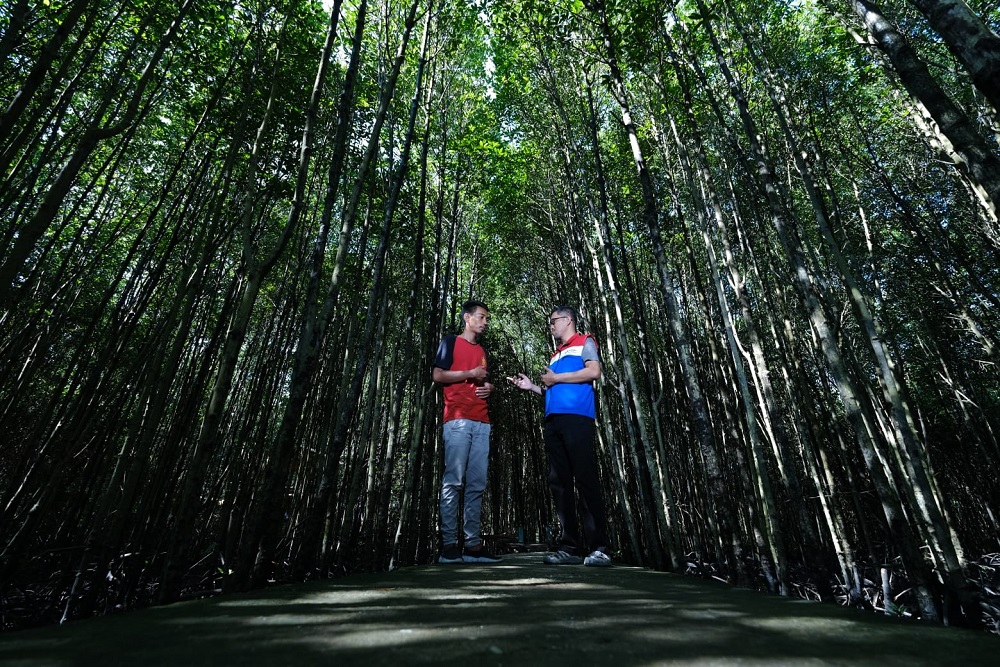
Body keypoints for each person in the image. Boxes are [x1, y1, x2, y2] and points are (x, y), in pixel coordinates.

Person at [506, 305, 611, 567]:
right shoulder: (555, 355)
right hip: (553, 422)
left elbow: (593, 372)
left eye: (553, 321)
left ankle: (599, 548)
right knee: (559, 484)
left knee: (585, 480)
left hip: (577, 419)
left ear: (568, 320)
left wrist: (557, 379)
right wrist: (532, 387)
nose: (550, 326)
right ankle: (570, 547)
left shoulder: (584, 342)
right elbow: (553, 391)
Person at [432, 299, 502, 564]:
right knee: (453, 482)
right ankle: (449, 546)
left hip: (482, 420)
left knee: (477, 484)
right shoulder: (450, 342)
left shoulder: (482, 350)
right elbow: (438, 376)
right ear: (467, 318)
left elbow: (483, 379)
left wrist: (490, 388)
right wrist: (469, 372)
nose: (485, 323)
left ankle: (472, 546)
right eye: (482, 317)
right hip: (458, 419)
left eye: (486, 318)